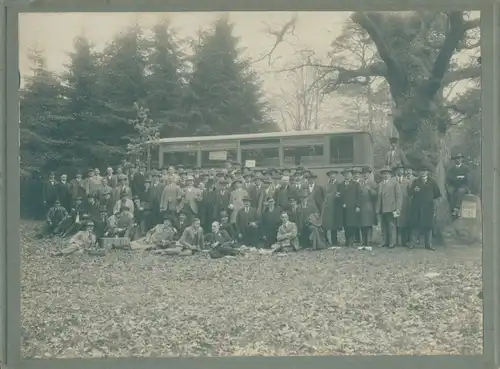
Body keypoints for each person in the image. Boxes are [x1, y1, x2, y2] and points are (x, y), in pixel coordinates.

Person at [408, 164, 441, 250]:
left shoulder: (432, 182)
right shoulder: (416, 182)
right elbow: (410, 193)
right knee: (415, 225)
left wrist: (432, 203)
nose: (423, 173)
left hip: (428, 207)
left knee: (428, 226)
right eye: (421, 171)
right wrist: (414, 191)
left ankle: (428, 244)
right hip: (417, 206)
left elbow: (437, 194)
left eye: (424, 171)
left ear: (427, 172)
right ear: (419, 172)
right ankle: (412, 243)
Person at [376, 166, 402, 248]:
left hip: (391, 207)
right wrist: (377, 208)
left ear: (390, 175)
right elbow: (378, 197)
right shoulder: (380, 184)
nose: (385, 175)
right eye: (384, 174)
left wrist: (398, 208)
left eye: (387, 174)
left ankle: (392, 242)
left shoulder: (394, 183)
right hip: (382, 208)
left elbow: (398, 196)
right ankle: (384, 241)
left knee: (391, 226)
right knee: (384, 226)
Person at [339, 168, 361, 247]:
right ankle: (347, 239)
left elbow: (358, 196)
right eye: (345, 174)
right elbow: (339, 196)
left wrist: (358, 206)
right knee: (345, 224)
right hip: (343, 208)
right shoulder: (340, 185)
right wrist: (342, 202)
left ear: (351, 175)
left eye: (348, 174)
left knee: (351, 224)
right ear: (343, 175)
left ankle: (351, 240)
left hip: (352, 207)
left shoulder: (355, 184)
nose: (347, 175)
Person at [321, 169, 343, 246]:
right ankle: (326, 241)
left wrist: (337, 196)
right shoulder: (327, 185)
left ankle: (334, 242)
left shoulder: (339, 184)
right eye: (331, 175)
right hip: (327, 207)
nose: (332, 176)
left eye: (333, 174)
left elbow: (340, 195)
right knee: (326, 224)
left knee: (334, 225)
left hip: (335, 207)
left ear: (335, 175)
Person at [446, 152, 470, 217]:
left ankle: (457, 208)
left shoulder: (466, 168)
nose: (457, 160)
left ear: (461, 159)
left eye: (459, 158)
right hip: (454, 186)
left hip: (463, 186)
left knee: (460, 191)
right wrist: (457, 179)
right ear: (454, 160)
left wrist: (459, 179)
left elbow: (468, 179)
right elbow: (449, 179)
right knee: (450, 191)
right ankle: (452, 208)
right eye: (456, 159)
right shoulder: (451, 170)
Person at [358, 167, 378, 247]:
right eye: (363, 173)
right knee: (362, 225)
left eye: (366, 173)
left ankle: (369, 241)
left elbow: (376, 195)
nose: (365, 175)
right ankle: (363, 241)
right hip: (362, 207)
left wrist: (370, 190)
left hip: (369, 207)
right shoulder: (359, 183)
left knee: (369, 225)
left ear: (369, 174)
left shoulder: (373, 183)